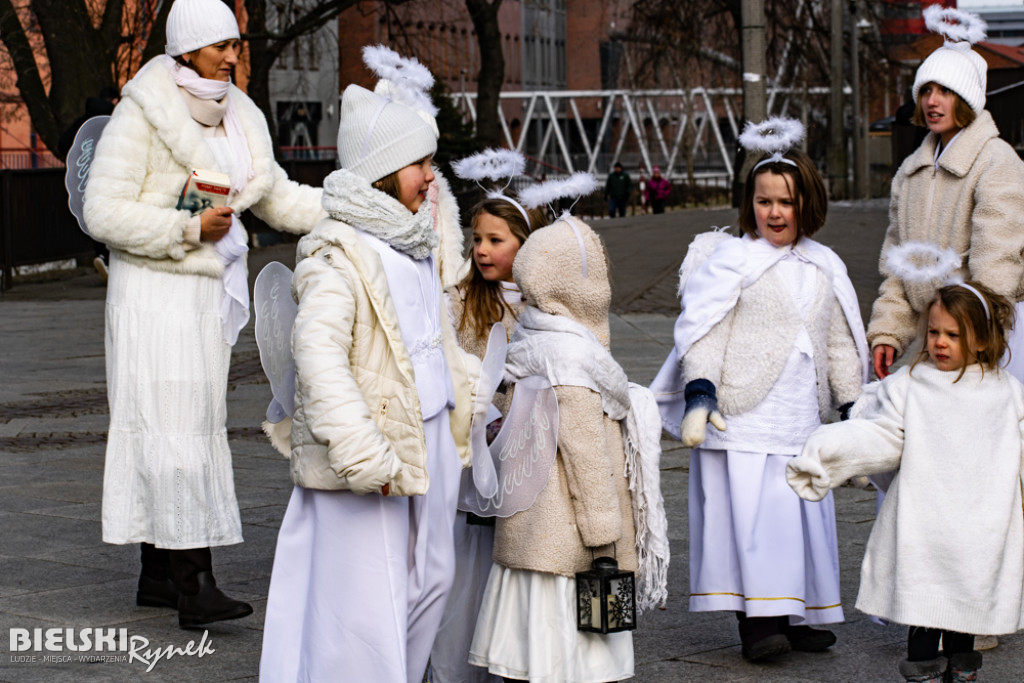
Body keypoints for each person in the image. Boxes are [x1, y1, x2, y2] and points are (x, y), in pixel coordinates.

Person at [83, 0, 324, 629]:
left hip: (202, 295)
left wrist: (353, 210)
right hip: (153, 294)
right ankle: (195, 584)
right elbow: (102, 210)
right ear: (186, 47)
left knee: (183, 424)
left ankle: (158, 574)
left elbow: (277, 196)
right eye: (220, 44)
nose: (232, 54)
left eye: (235, 43)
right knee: (176, 428)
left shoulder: (237, 115)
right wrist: (188, 227)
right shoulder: (142, 113)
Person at [258, 46, 479, 683]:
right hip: (375, 441)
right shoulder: (340, 250)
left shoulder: (415, 240)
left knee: (433, 573)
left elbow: (436, 332)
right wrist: (359, 447)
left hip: (433, 428)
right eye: (420, 163)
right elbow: (319, 354)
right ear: (383, 170)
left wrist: (466, 398)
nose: (432, 177)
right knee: (366, 593)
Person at [649, 118, 868, 662]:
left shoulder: (824, 265)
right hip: (743, 414)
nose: (774, 212)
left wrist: (852, 405)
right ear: (750, 203)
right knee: (754, 518)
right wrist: (701, 391)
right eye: (765, 200)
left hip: (801, 416)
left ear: (806, 204)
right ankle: (758, 624)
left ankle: (797, 615)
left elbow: (841, 342)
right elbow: (703, 330)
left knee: (800, 515)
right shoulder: (731, 261)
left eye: (786, 202)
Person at [787, 282, 1023, 683]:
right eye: (934, 333)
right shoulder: (909, 387)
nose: (941, 343)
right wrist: (827, 451)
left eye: (953, 334)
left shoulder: (1007, 394)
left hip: (981, 533)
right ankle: (924, 674)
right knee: (924, 613)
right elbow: (881, 436)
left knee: (964, 619)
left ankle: (963, 673)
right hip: (924, 527)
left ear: (982, 340)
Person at [470, 211, 668, 682]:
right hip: (569, 545)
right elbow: (586, 458)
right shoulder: (575, 359)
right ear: (583, 288)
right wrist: (605, 537)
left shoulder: (530, 338)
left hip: (527, 532)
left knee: (526, 651)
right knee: (572, 657)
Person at [868, 6, 1024, 383]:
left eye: (946, 92)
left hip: (982, 340)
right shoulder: (911, 171)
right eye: (926, 91)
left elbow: (997, 263)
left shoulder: (995, 161)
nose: (933, 102)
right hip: (932, 338)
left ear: (968, 98)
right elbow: (896, 265)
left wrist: (973, 334)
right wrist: (889, 330)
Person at [431, 193, 547, 683]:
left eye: (495, 240)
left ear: (527, 246)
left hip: (519, 458)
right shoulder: (458, 301)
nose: (481, 249)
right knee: (465, 563)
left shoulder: (542, 306)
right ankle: (450, 663)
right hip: (469, 458)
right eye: (477, 239)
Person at [58, 86, 120, 283]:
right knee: (114, 214)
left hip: (86, 178)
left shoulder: (83, 121)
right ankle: (110, 258)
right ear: (114, 100)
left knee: (94, 216)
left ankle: (102, 255)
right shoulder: (116, 119)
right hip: (111, 175)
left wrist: (77, 160)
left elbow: (63, 143)